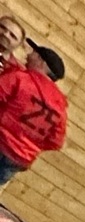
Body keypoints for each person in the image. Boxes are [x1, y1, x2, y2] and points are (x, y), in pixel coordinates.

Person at [0, 37, 67, 183]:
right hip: (18, 159)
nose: (28, 55)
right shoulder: (60, 107)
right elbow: (56, 142)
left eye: (33, 53)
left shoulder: (21, 79)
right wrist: (28, 143)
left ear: (42, 62)